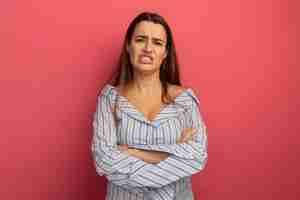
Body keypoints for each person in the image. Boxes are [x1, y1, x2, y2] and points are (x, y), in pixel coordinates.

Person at [91, 12, 208, 200]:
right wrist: (173, 150)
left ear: (165, 53)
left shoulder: (184, 100)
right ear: (129, 46)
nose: (148, 48)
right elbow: (105, 160)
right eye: (140, 40)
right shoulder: (109, 99)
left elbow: (196, 156)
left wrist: (135, 152)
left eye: (157, 42)